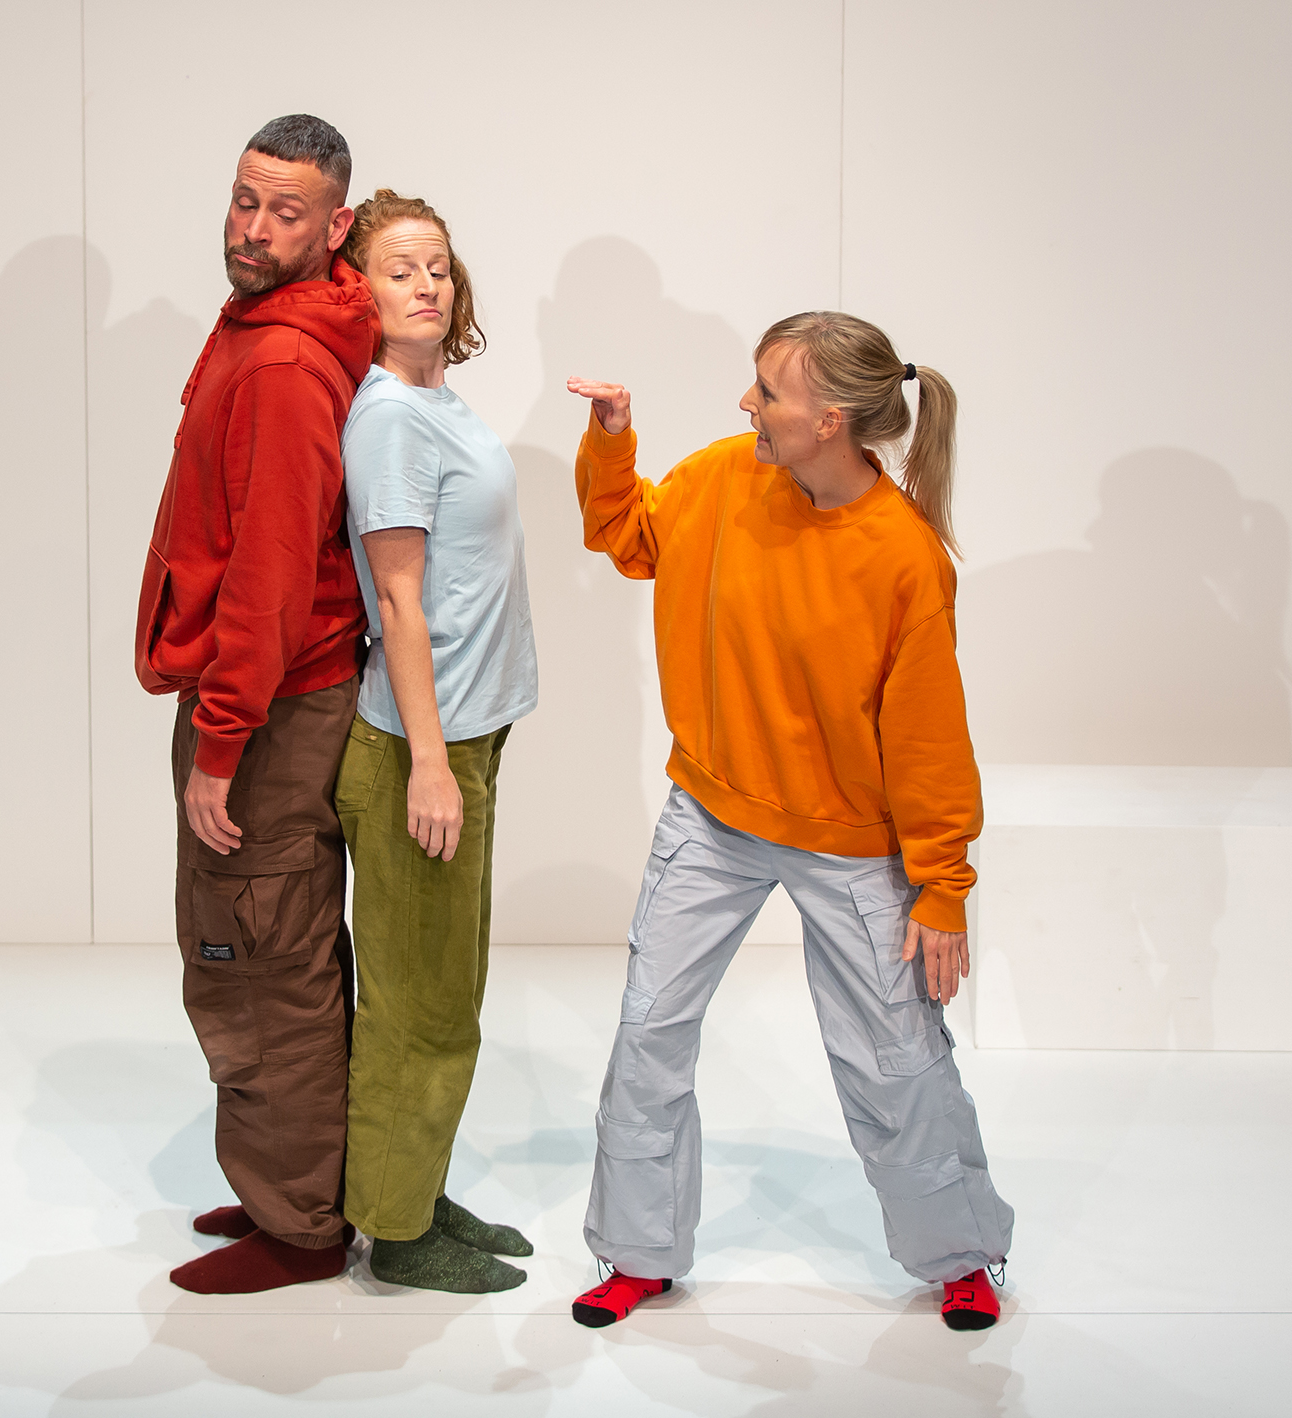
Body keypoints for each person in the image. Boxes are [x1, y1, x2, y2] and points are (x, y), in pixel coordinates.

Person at [562, 312, 1016, 1330]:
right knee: (648, 1032)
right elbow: (630, 537)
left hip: (850, 844)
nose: (746, 404)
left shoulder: (904, 557)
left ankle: (960, 1255)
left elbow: (930, 743)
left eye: (767, 391)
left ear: (831, 421)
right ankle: (636, 1252)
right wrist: (611, 442)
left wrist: (941, 887)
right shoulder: (725, 476)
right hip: (712, 810)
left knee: (895, 1059)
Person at [134, 114, 377, 1295]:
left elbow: (272, 574)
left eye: (286, 213)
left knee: (260, 953)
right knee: (260, 938)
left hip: (271, 705)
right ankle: (289, 1177)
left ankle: (299, 1226)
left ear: (336, 225)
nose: (253, 229)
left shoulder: (281, 360)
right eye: (244, 201)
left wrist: (222, 740)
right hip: (264, 693)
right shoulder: (270, 320)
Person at [330, 191, 539, 1293]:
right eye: (400, 268)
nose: (426, 285)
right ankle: (396, 1231)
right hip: (426, 746)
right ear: (357, 289)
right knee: (415, 1005)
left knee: (445, 994)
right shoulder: (390, 421)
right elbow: (398, 603)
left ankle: (418, 1188)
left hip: (467, 736)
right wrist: (424, 761)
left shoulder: (435, 400)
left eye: (440, 268)